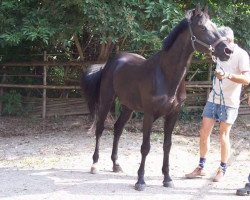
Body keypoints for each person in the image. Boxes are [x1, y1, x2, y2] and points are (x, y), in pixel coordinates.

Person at [185, 26, 250, 182]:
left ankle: (222, 168)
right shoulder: (218, 52)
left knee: (223, 135)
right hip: (213, 98)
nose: (215, 44)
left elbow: (247, 79)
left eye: (219, 40)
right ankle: (201, 166)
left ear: (228, 40)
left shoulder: (241, 55)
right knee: (204, 132)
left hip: (230, 102)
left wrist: (227, 75)